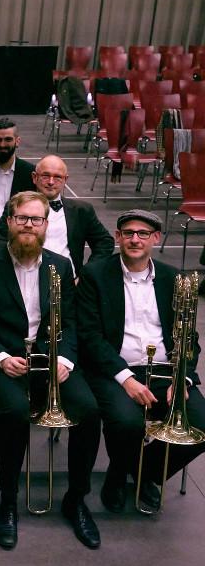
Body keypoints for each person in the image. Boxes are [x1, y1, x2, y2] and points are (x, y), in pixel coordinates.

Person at [0, 191, 101, 550]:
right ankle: (8, 500)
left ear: (46, 224)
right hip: (3, 363)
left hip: (50, 360)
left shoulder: (62, 265)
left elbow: (70, 322)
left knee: (88, 410)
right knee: (13, 411)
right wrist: (0, 357)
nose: (29, 225)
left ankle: (76, 499)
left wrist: (65, 360)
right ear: (9, 222)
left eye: (36, 219)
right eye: (22, 218)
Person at [77, 209, 205, 513]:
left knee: (201, 424)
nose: (135, 239)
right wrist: (126, 379)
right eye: (128, 233)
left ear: (155, 238)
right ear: (118, 237)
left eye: (143, 234)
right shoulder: (95, 275)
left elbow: (189, 337)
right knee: (126, 423)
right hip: (115, 371)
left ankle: (140, 471)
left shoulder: (174, 278)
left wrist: (182, 378)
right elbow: (90, 336)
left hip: (165, 371)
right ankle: (120, 476)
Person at [0, 155, 113, 278]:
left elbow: (105, 242)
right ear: (34, 177)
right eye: (45, 176)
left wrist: (86, 275)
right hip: (23, 278)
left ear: (65, 180)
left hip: (68, 282)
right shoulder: (16, 205)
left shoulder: (81, 210)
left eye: (57, 177)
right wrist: (10, 270)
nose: (51, 182)